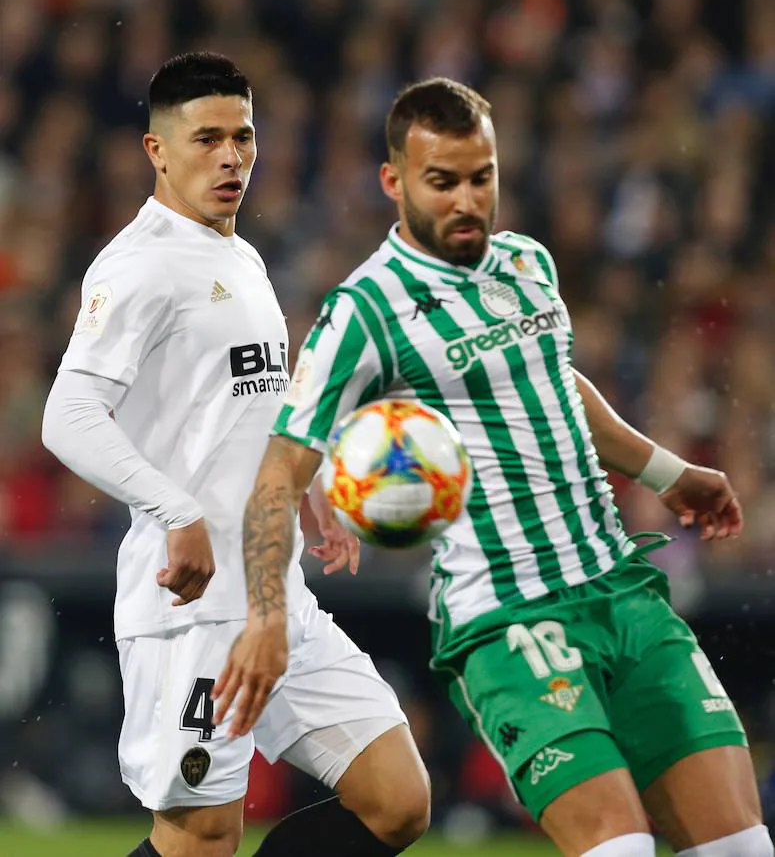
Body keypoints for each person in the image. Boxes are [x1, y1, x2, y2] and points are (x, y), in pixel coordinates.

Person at [213, 77, 774, 857]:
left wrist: (666, 471)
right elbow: (279, 472)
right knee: (621, 849)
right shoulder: (362, 312)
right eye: (441, 182)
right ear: (394, 181)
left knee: (740, 849)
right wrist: (268, 618)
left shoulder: (525, 264)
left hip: (620, 589)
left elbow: (554, 385)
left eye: (482, 178)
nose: (466, 201)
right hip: (508, 618)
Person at [41, 52, 430, 857]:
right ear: (156, 150)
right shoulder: (140, 265)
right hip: (192, 607)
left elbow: (252, 400)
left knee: (397, 801)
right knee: (200, 839)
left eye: (244, 137)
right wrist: (174, 508)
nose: (230, 157)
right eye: (207, 138)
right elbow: (67, 414)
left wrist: (308, 488)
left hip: (273, 595)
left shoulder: (239, 256)